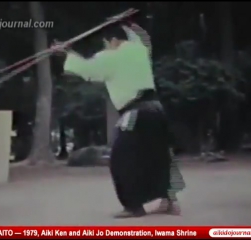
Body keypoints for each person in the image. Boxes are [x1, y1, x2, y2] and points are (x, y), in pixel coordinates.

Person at [55, 24, 184, 218]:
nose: (105, 47)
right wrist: (127, 24)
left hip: (136, 112)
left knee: (120, 159)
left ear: (113, 41)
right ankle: (169, 202)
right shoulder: (139, 49)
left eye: (106, 43)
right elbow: (139, 35)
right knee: (158, 156)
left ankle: (134, 206)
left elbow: (87, 70)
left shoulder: (110, 57)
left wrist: (66, 53)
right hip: (157, 110)